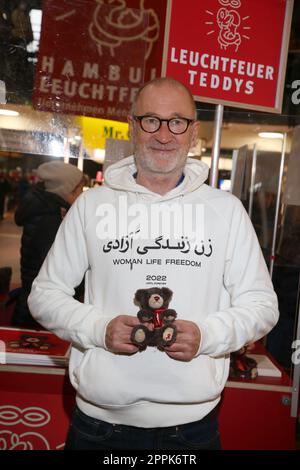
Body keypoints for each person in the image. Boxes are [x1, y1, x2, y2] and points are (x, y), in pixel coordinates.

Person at [28, 78, 279, 450]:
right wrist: (98, 329)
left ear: (193, 132)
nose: (164, 135)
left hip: (191, 429)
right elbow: (44, 296)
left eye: (177, 121)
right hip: (100, 427)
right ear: (133, 126)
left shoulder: (225, 211)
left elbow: (262, 305)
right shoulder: (92, 206)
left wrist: (209, 335)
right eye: (151, 120)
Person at [12, 161, 84, 328]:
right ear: (66, 190)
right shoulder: (49, 219)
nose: (81, 195)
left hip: (34, 306)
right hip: (39, 314)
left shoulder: (48, 211)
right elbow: (61, 268)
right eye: (79, 189)